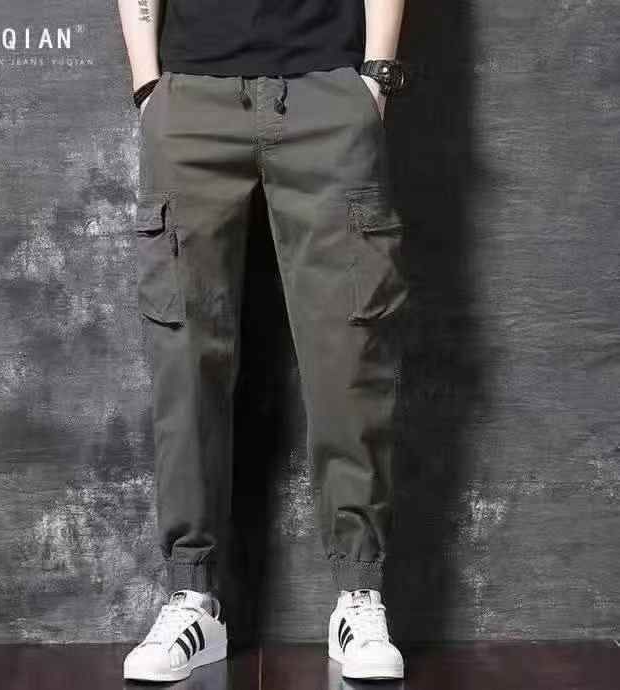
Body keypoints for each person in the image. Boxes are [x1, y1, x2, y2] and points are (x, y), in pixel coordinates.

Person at [117, 0, 410, 681]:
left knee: (350, 352)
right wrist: (147, 86)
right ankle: (192, 598)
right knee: (183, 354)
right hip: (191, 94)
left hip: (327, 89)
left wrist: (377, 76)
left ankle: (359, 594)